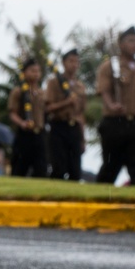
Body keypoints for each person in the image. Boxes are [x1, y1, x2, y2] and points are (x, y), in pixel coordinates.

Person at [95, 26, 135, 186]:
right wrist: (112, 105)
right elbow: (104, 90)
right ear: (121, 44)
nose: (134, 45)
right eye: (130, 41)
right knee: (110, 166)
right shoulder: (110, 67)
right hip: (115, 122)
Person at [45, 49, 86, 181]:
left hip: (74, 129)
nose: (74, 65)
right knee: (58, 168)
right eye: (71, 61)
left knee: (75, 170)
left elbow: (81, 115)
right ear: (63, 63)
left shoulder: (80, 86)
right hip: (58, 126)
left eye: (76, 62)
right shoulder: (54, 82)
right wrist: (66, 102)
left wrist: (82, 138)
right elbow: (48, 108)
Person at [9, 58, 48, 177]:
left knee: (41, 169)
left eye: (38, 71)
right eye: (32, 71)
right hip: (24, 135)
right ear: (24, 72)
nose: (36, 74)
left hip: (39, 134)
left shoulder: (42, 93)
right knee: (19, 169)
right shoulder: (18, 91)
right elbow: (12, 113)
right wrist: (22, 123)